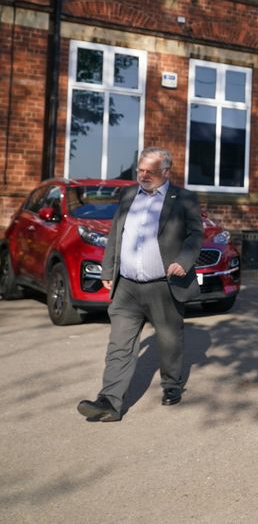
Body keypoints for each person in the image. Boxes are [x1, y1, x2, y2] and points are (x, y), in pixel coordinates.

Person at [77, 147, 203, 422]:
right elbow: (116, 234)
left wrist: (184, 260)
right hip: (127, 286)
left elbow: (196, 235)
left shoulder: (184, 198)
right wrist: (108, 270)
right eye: (140, 170)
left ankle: (171, 384)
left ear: (166, 173)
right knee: (119, 344)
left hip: (164, 285)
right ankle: (109, 401)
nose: (143, 176)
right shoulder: (129, 194)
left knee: (169, 341)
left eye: (151, 172)